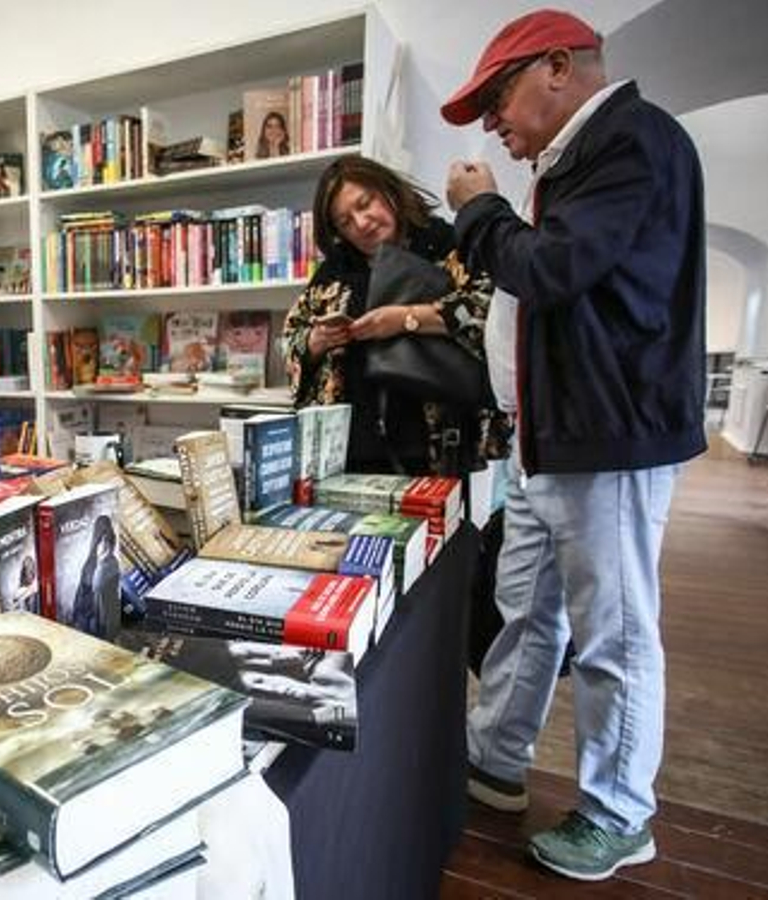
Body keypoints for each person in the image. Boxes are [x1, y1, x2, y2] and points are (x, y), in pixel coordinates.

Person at [441, 9, 706, 881]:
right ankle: (497, 758)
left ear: (558, 67)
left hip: (608, 435)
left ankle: (620, 812)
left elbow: (550, 271)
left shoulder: (631, 141)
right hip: (555, 438)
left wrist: (478, 210)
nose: (492, 124)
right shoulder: (580, 160)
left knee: (614, 634)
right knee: (531, 615)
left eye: (497, 98)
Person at [282, 155, 510, 476]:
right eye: (345, 221)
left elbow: (488, 310)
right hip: (348, 448)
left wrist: (406, 319)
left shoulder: (447, 245)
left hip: (436, 440)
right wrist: (316, 340)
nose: (361, 223)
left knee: (435, 526)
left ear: (388, 191)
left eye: (365, 203)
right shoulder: (334, 271)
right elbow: (292, 337)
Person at [70, 515, 120, 637]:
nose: (105, 543)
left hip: (104, 619)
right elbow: (84, 596)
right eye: (102, 539)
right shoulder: (92, 564)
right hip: (93, 620)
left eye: (107, 539)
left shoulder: (111, 562)